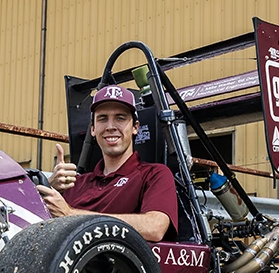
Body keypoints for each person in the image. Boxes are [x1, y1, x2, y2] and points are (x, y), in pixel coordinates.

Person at [37, 85, 179, 242]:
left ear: (135, 127)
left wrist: (70, 214)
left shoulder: (154, 175)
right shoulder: (75, 184)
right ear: (93, 129)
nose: (110, 127)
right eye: (103, 118)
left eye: (120, 118)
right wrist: (49, 187)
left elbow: (154, 228)